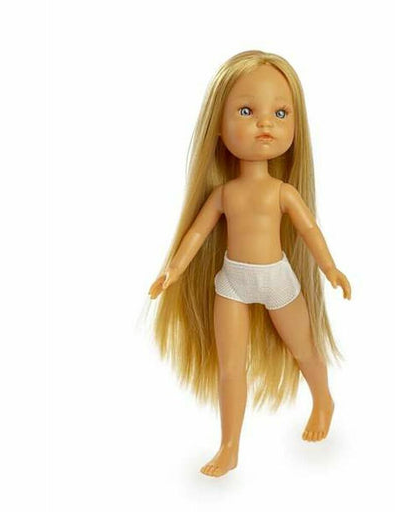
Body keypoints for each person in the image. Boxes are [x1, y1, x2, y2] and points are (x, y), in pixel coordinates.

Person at [146, 50, 351, 477]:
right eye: (246, 111)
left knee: (305, 349)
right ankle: (229, 446)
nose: (265, 124)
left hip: (278, 280)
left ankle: (323, 399)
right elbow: (196, 234)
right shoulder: (224, 194)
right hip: (233, 284)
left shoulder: (283, 192)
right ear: (219, 128)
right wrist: (173, 270)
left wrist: (330, 268)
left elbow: (310, 231)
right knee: (230, 369)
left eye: (280, 113)